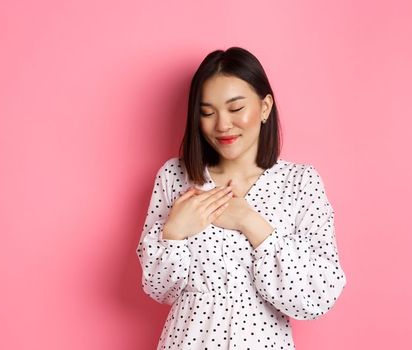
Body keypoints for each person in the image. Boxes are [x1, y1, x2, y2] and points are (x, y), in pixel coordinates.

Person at [136, 46, 347, 349]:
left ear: (264, 107)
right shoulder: (175, 177)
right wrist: (174, 232)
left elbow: (318, 295)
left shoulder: (300, 183)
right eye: (207, 112)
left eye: (235, 109)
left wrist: (250, 222)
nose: (222, 125)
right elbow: (159, 289)